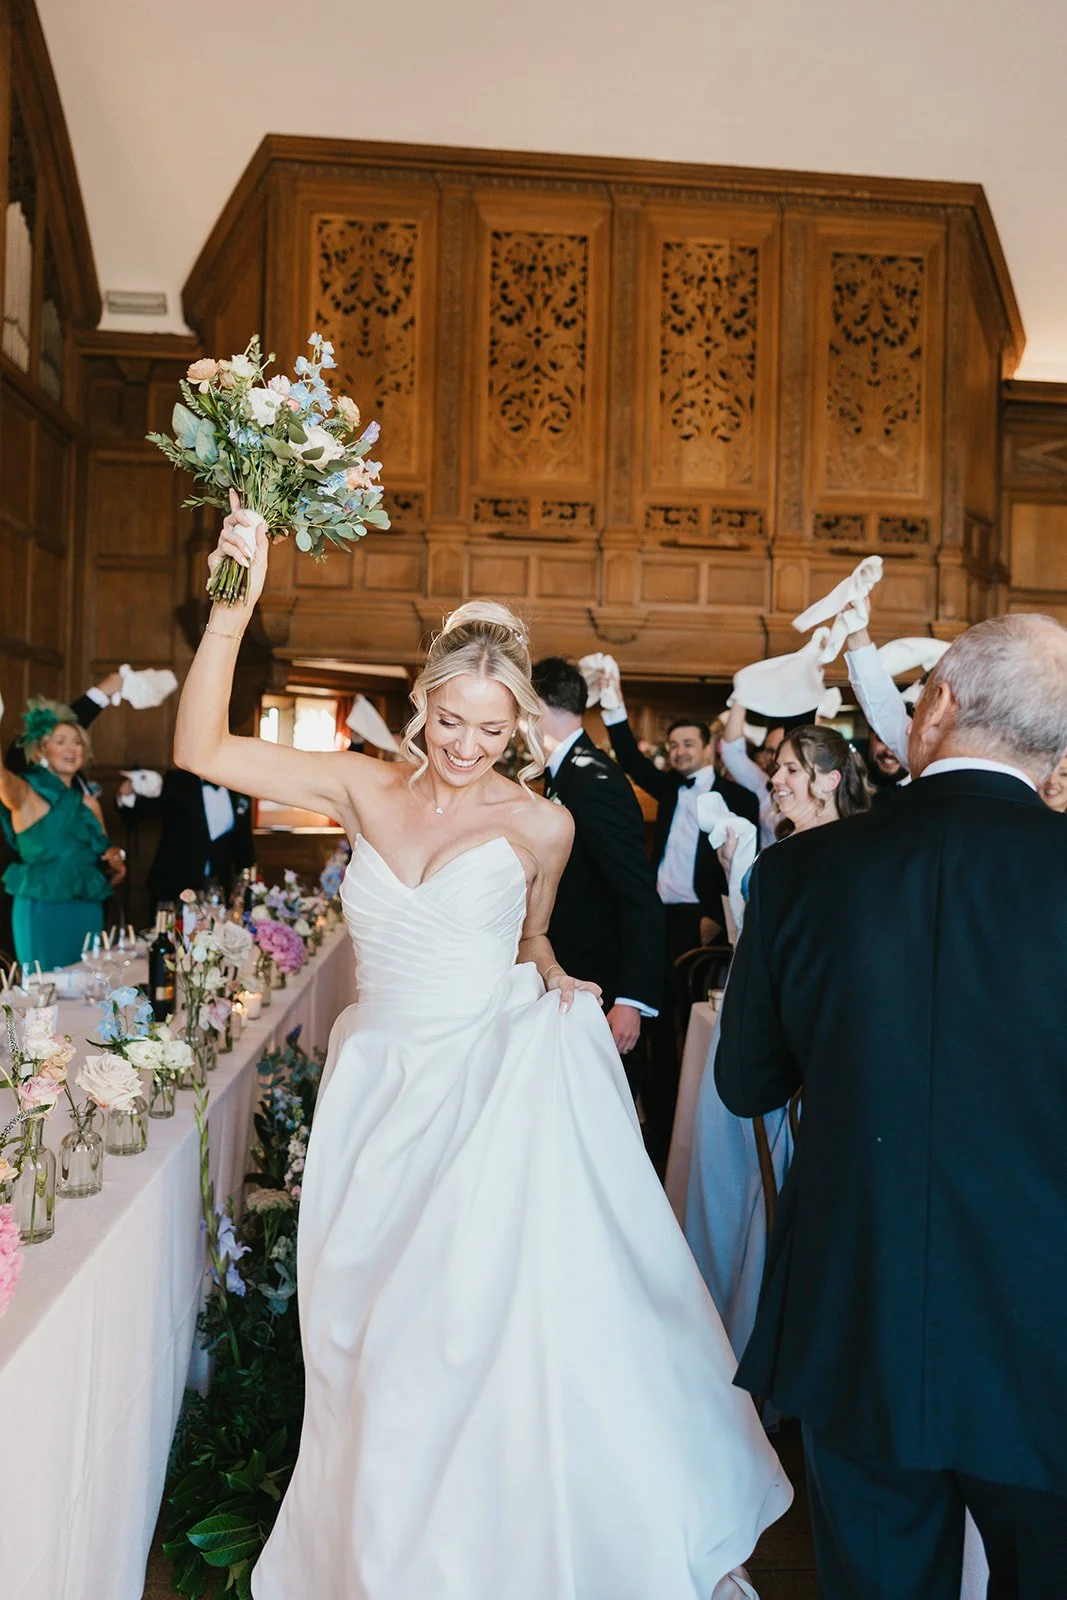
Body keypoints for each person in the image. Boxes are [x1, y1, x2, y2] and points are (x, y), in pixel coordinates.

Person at [175, 498, 791, 1600]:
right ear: (421, 708)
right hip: (376, 1090)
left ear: (517, 728)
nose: (467, 747)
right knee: (360, 1343)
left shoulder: (537, 823)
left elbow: (530, 936)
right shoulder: (359, 785)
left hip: (486, 1091)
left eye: (491, 729)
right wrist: (235, 600)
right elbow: (200, 747)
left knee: (448, 1339)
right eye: (450, 721)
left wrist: (559, 983)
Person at [715, 612, 1067, 1599]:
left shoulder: (798, 873)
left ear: (942, 707)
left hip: (854, 1309)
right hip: (1046, 1324)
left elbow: (744, 1083)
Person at [683, 725, 870, 1357]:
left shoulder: (853, 855)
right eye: (776, 770)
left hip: (794, 1043)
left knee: (774, 1185)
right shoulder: (777, 852)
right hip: (748, 1019)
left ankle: (768, 1334)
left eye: (790, 770)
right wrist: (735, 866)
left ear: (830, 780)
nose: (776, 780)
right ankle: (724, 1327)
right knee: (735, 1185)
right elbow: (747, 945)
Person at [531, 657, 664, 1065]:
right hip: (569, 969)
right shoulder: (566, 772)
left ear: (534, 707)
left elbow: (638, 894)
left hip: (599, 980)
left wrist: (630, 999)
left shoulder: (594, 778)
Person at [0, 698, 125, 968]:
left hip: (87, 909)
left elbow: (104, 852)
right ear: (40, 751)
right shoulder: (26, 793)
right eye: (61, 741)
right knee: (46, 993)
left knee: (86, 986)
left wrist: (115, 859)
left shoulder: (89, 804)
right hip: (42, 910)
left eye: (77, 742)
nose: (72, 748)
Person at [116, 768, 255, 912]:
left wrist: (247, 885)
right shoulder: (178, 780)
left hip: (218, 888)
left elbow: (243, 841)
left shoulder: (239, 789)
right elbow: (139, 811)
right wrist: (128, 792)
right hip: (173, 884)